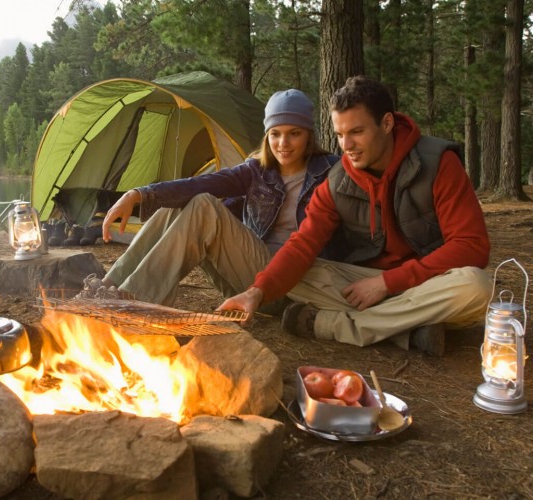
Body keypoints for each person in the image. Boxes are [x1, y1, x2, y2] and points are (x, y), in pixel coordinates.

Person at [217, 76, 492, 357]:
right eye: (339, 134)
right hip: (362, 285)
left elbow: (472, 246)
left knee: (476, 286)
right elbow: (302, 245)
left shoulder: (437, 163)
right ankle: (410, 325)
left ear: (386, 124)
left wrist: (388, 283)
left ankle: (336, 325)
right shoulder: (337, 181)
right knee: (295, 272)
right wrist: (256, 292)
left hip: (427, 282)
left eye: (357, 132)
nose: (347, 145)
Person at [95, 89, 342, 307]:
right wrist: (139, 194)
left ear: (309, 134)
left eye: (294, 133)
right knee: (181, 202)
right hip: (244, 280)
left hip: (290, 287)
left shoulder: (331, 172)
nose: (283, 143)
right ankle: (107, 286)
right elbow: (206, 182)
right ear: (267, 136)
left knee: (203, 205)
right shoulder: (257, 170)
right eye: (275, 134)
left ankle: (132, 301)